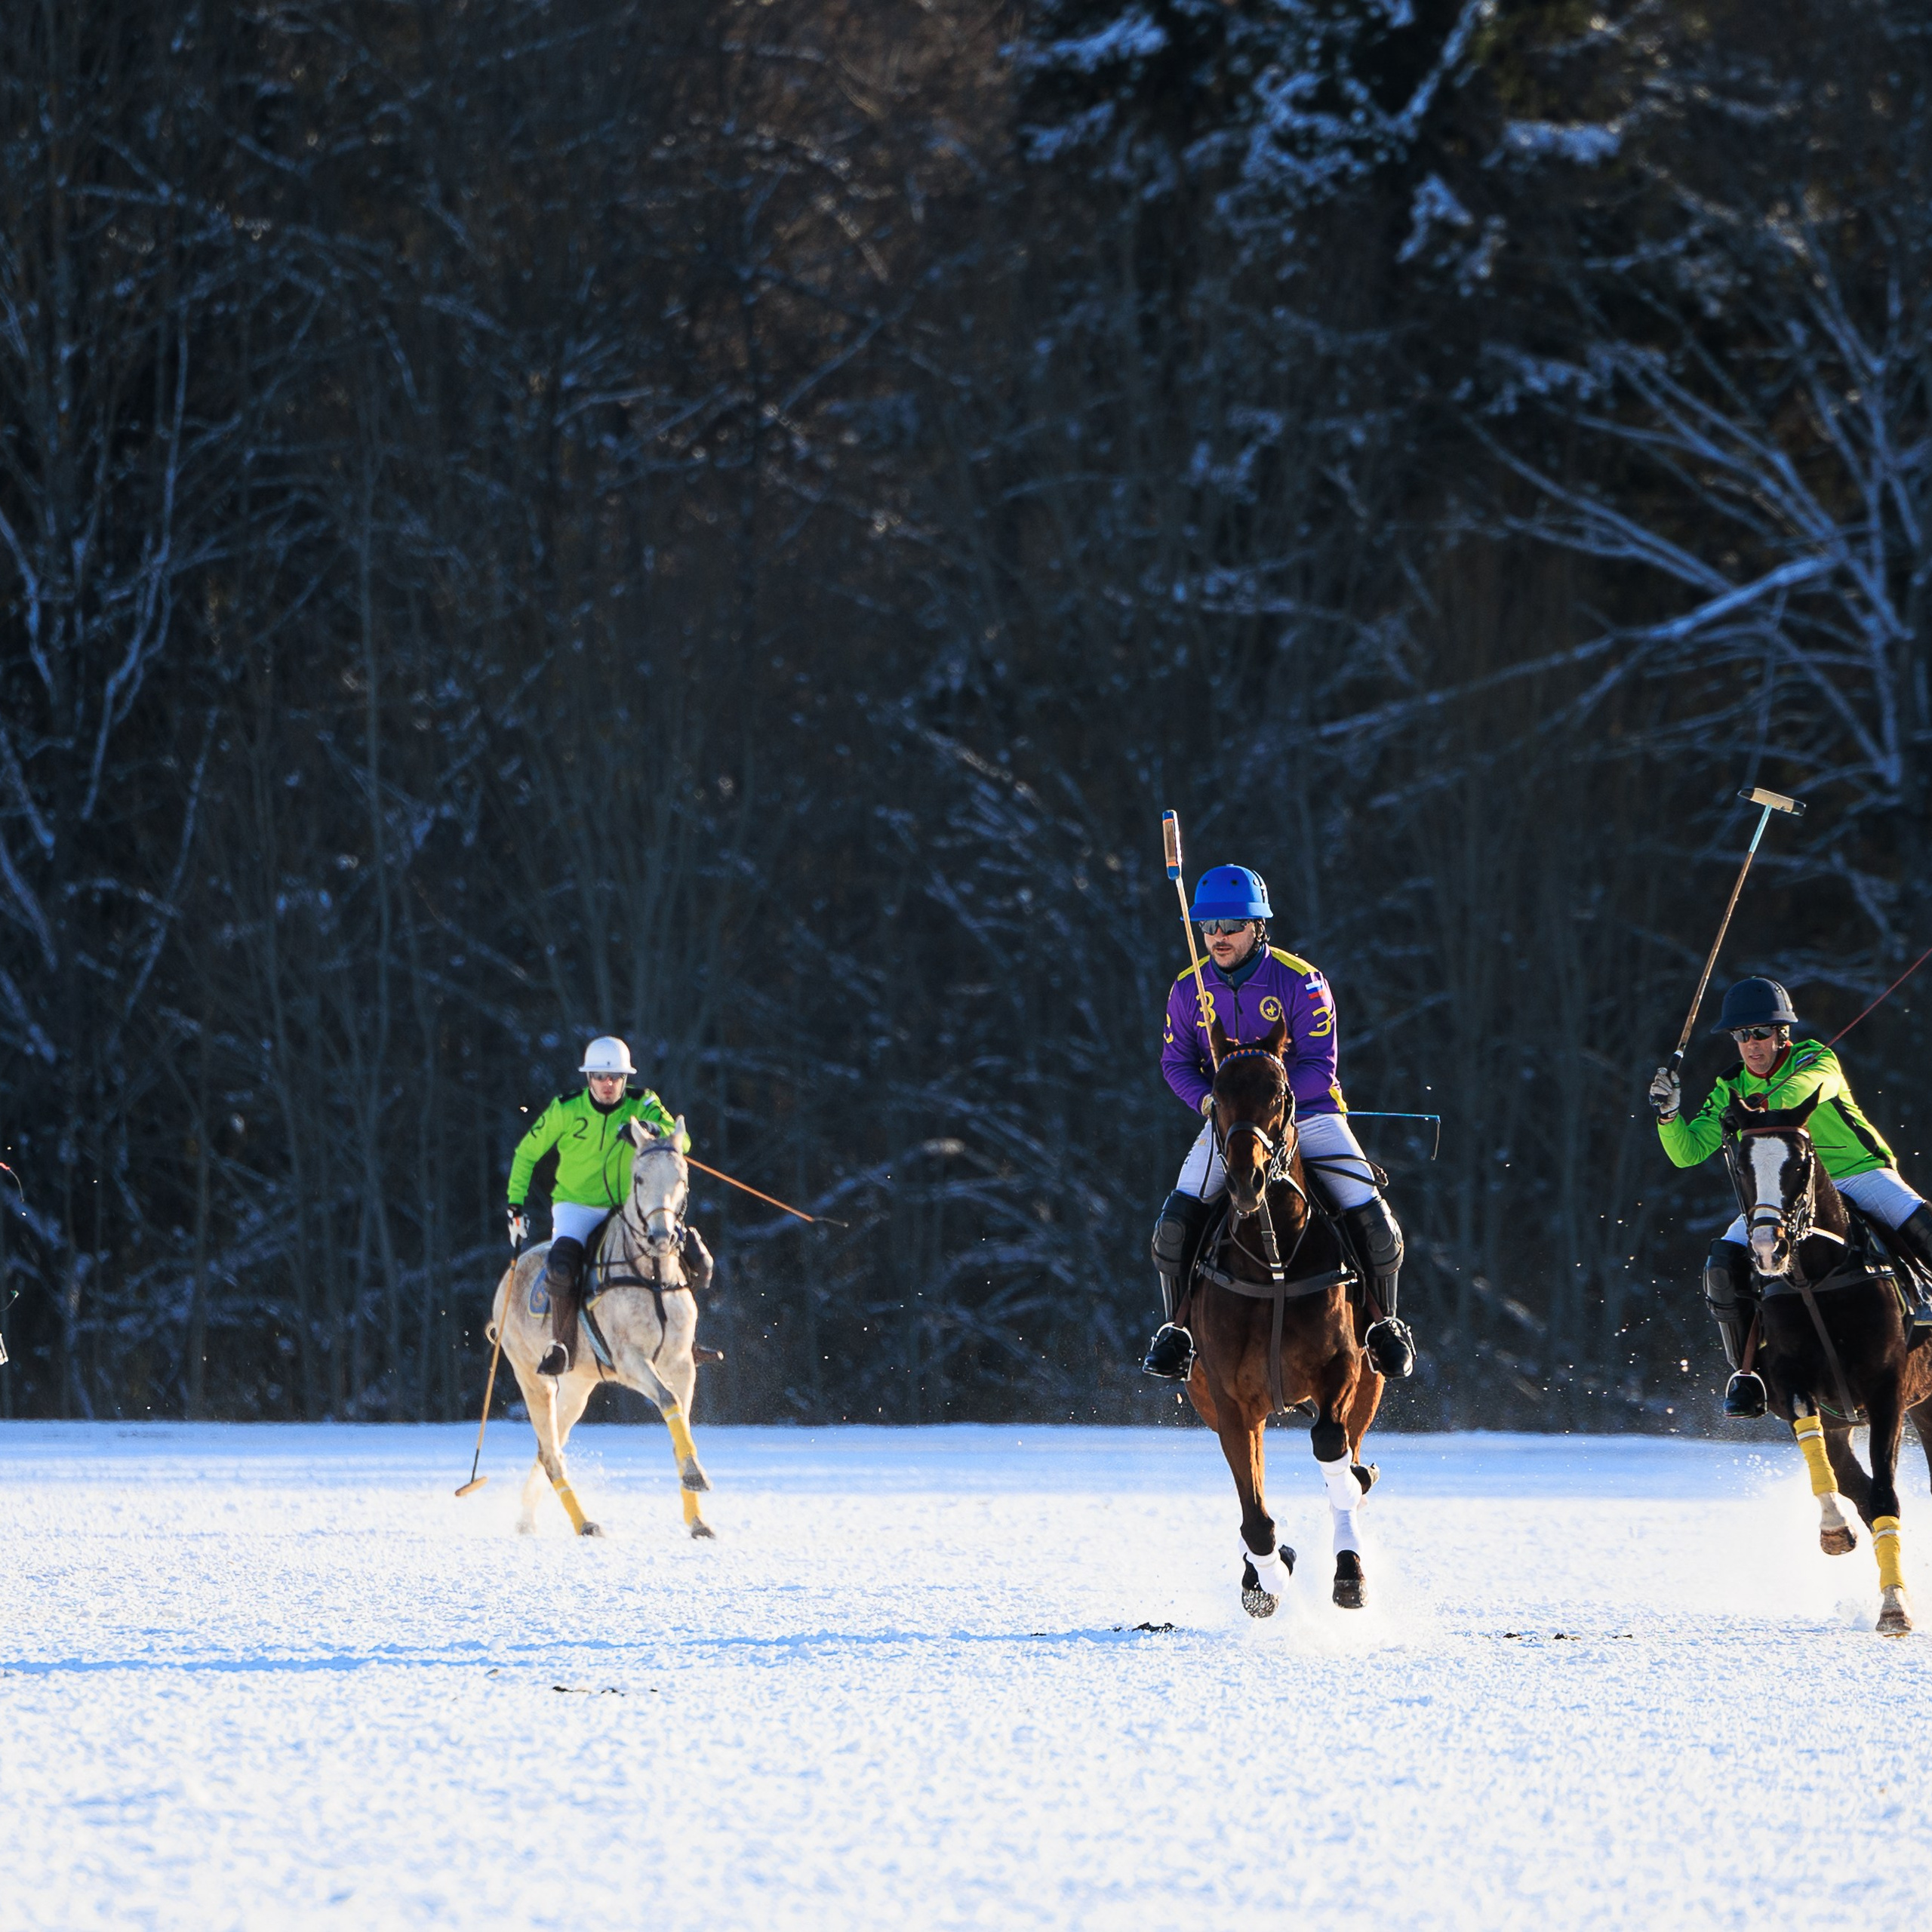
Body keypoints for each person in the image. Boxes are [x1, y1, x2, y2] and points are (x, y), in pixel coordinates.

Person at [1142, 864, 1416, 1383]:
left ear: (1257, 927)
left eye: (1231, 925)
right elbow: (1175, 1063)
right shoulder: (1187, 990)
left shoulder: (1301, 981)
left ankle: (1385, 1327)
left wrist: (1273, 1101)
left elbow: (1319, 1065)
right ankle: (1176, 1333)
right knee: (1175, 1224)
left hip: (1308, 1115)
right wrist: (1209, 1102)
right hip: (1231, 1125)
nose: (1218, 937)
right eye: (1209, 927)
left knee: (1374, 1220)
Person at [1648, 977, 1932, 1418]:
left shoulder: (1815, 1058)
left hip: (1858, 1176)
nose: (1752, 1044)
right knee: (1722, 1264)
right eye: (1742, 1035)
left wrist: (1748, 1108)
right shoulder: (1729, 1086)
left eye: (1761, 1032)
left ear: (1783, 1033)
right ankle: (1748, 1374)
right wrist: (1669, 1115)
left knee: (1924, 1228)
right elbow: (1688, 1153)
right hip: (1783, 1196)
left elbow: (1796, 1095)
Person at [506, 1035, 679, 1376]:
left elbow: (680, 1138)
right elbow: (526, 1153)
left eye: (615, 1077)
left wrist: (651, 1128)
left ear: (625, 1079)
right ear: (589, 1078)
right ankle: (562, 1346)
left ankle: (682, 1339)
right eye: (600, 1077)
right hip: (578, 1207)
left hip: (630, 1206)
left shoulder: (643, 1102)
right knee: (561, 1267)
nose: (607, 1084)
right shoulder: (567, 1109)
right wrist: (515, 1205)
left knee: (690, 1255)